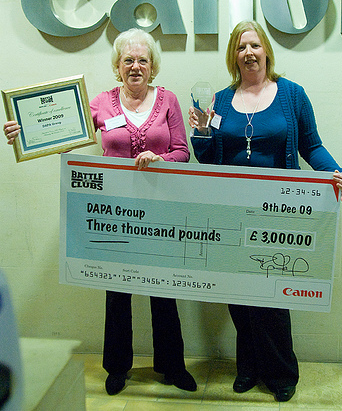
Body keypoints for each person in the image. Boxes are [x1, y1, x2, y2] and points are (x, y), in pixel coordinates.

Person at [4, 28, 197, 396]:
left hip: (160, 213)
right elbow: (62, 129)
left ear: (152, 65)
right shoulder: (101, 103)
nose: (135, 66)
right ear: (117, 66)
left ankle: (172, 366)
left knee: (164, 290)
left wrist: (161, 159)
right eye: (128, 60)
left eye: (142, 60)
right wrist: (23, 129)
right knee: (117, 291)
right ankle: (117, 368)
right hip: (114, 214)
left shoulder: (168, 99)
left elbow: (182, 152)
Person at [188, 20, 342, 402]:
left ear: (266, 52)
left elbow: (311, 145)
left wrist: (333, 172)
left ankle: (280, 372)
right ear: (234, 56)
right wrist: (202, 133)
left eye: (255, 46)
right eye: (241, 47)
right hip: (231, 212)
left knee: (273, 296)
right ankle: (248, 367)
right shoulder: (220, 101)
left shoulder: (292, 95)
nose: (249, 53)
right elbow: (209, 160)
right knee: (238, 294)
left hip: (277, 212)